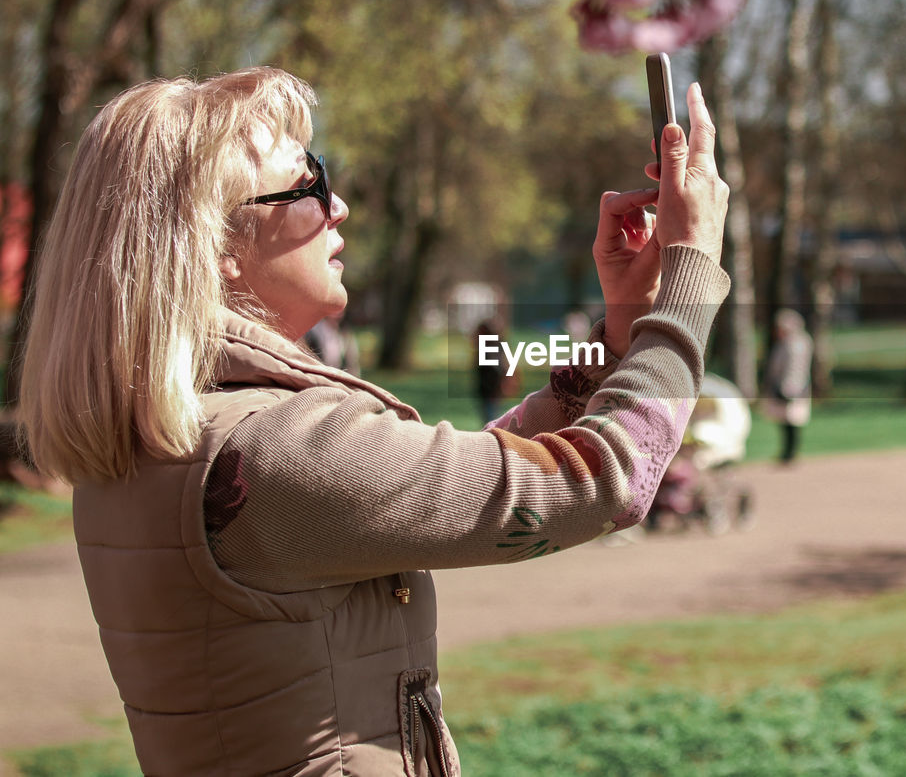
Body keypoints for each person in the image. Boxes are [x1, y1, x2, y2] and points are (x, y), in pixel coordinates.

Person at [17, 67, 730, 776]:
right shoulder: (265, 449)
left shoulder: (180, 433)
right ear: (218, 246)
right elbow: (601, 482)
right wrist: (689, 277)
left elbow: (469, 471)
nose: (340, 206)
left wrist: (620, 329)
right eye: (308, 185)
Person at [761, 308, 813, 464]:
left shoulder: (797, 344)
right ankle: (787, 452)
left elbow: (795, 369)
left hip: (792, 388)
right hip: (785, 386)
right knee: (784, 421)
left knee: (793, 421)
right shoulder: (786, 343)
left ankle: (791, 453)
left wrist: (788, 388)